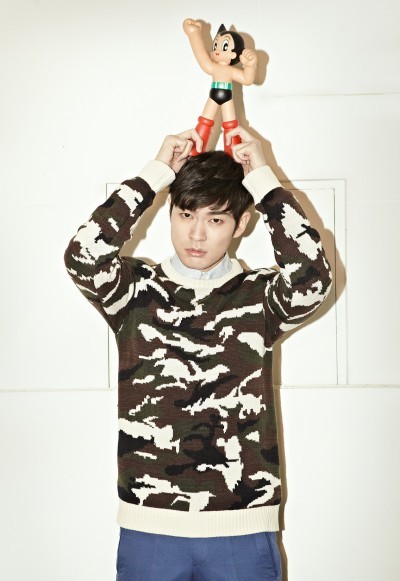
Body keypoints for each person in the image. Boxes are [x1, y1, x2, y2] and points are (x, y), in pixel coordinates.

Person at [64, 126, 332, 581]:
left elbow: (313, 277)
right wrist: (155, 174)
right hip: (150, 526)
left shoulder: (260, 298)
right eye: (186, 214)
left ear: (241, 224)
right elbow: (82, 256)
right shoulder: (134, 293)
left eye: (216, 219)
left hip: (243, 528)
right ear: (169, 212)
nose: (197, 233)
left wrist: (263, 180)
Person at [183, 19, 258, 156]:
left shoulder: (231, 71)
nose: (217, 50)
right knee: (204, 122)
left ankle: (233, 154)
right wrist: (194, 34)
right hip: (214, 95)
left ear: (234, 54)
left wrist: (250, 66)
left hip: (227, 97)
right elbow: (201, 55)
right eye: (216, 45)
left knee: (231, 125)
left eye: (224, 46)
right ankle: (195, 151)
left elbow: (247, 79)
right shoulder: (213, 67)